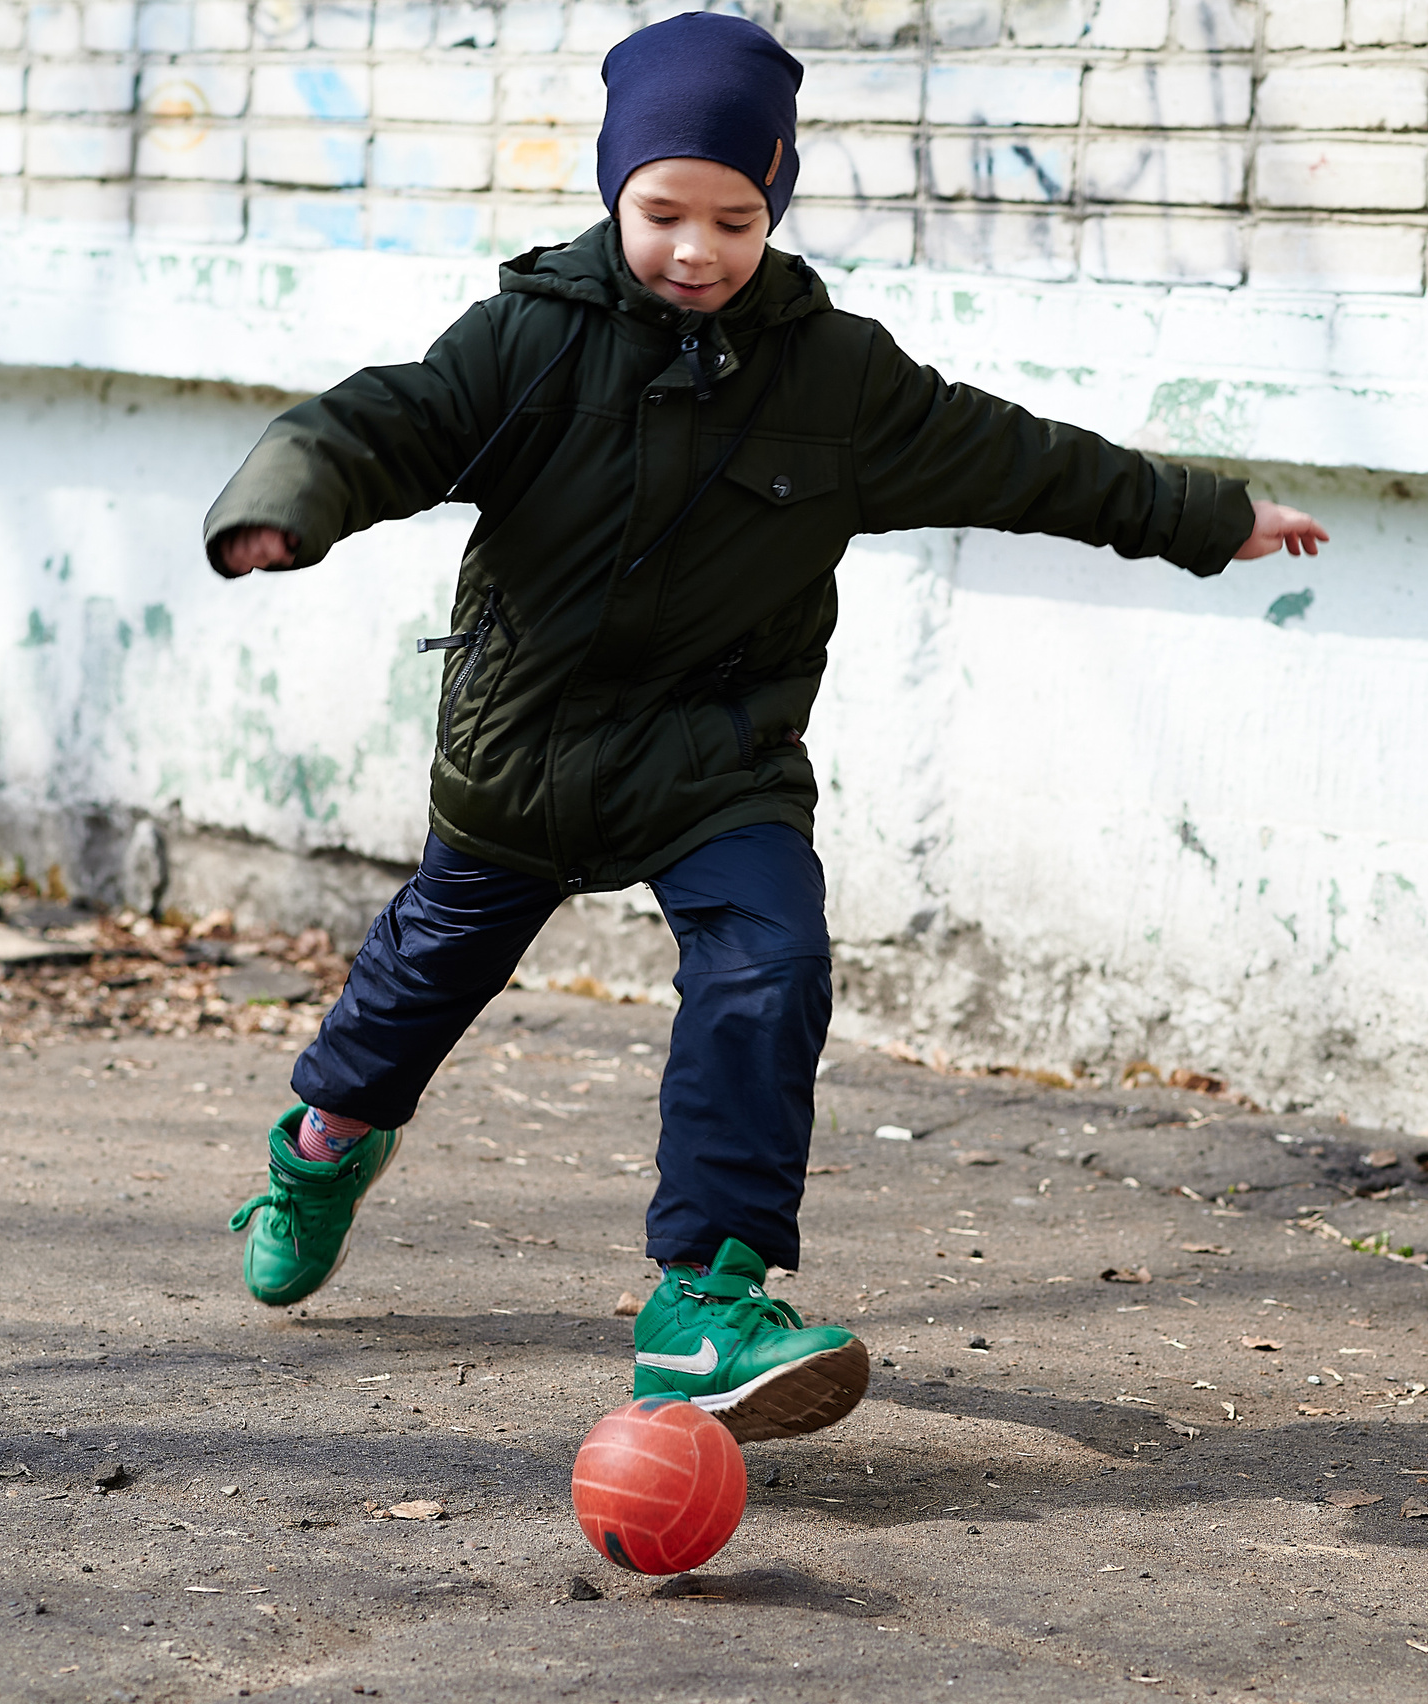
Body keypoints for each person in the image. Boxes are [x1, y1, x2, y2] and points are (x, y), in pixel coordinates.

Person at [204, 10, 1327, 1445]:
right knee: (414, 995)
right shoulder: (528, 343)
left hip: (718, 760)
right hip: (529, 755)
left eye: (733, 218)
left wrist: (1212, 516)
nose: (695, 249)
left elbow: (1027, 462)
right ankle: (319, 1157)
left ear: (775, 202)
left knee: (772, 965)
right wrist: (285, 504)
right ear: (616, 193)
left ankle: (705, 1300)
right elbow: (386, 423)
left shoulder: (837, 379)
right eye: (663, 211)